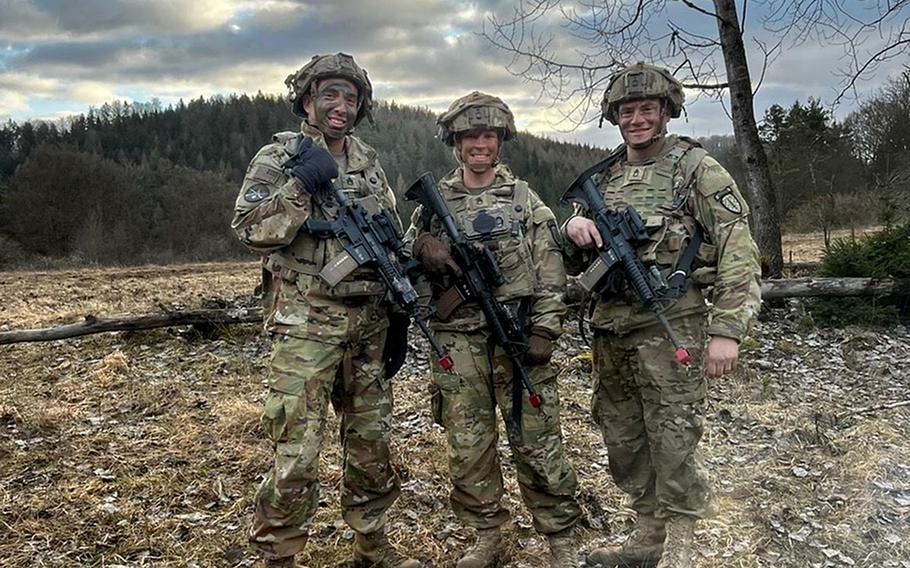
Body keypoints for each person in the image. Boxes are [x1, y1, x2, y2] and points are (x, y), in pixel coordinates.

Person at [562, 63, 761, 568]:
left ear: (667, 111)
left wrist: (727, 330)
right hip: (611, 329)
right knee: (622, 438)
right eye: (627, 111)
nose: (637, 119)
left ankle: (681, 545)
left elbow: (739, 249)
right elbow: (570, 261)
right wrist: (573, 230)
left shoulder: (697, 169)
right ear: (614, 116)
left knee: (673, 437)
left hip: (671, 324)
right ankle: (647, 535)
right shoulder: (602, 178)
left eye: (647, 108)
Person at [231, 53, 420, 568]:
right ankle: (279, 555)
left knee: (371, 441)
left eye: (351, 98)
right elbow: (250, 229)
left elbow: (387, 233)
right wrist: (300, 187)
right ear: (308, 100)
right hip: (306, 326)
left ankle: (371, 545)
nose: (341, 106)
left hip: (368, 326)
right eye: (330, 95)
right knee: (297, 446)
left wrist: (399, 303)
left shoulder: (367, 159)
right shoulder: (281, 157)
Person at [405, 92, 583, 568]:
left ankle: (560, 536)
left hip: (518, 335)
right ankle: (487, 533)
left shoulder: (524, 199)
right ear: (455, 142)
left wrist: (546, 330)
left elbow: (550, 271)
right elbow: (404, 259)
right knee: (469, 446)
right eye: (470, 137)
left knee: (538, 441)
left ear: (501, 141)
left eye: (489, 136)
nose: (480, 145)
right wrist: (423, 244)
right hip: (457, 341)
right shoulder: (432, 203)